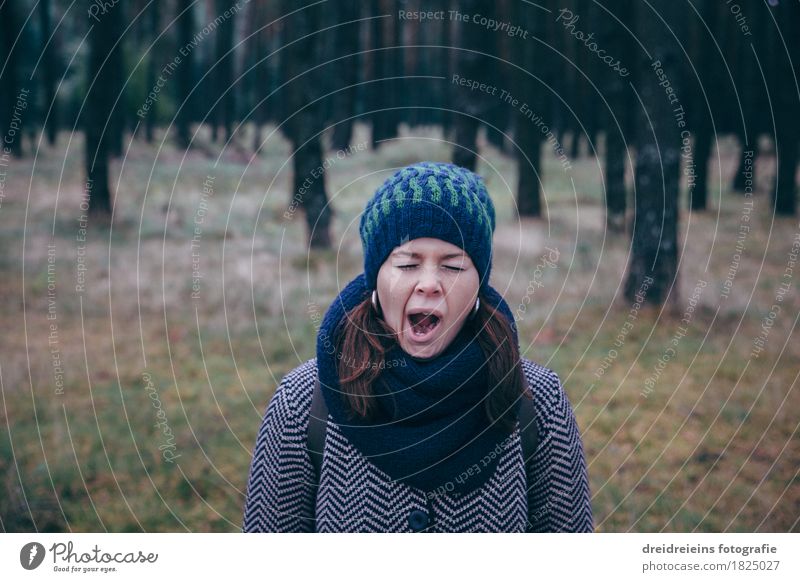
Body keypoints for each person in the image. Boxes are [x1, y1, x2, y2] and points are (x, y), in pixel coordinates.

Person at [242, 161, 593, 532]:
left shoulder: (537, 401)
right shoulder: (302, 403)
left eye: (453, 266)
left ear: (479, 285)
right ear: (375, 280)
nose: (429, 283)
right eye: (407, 264)